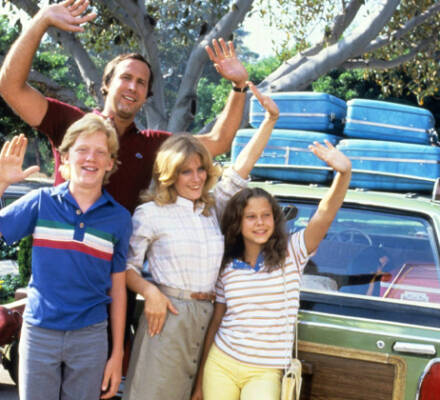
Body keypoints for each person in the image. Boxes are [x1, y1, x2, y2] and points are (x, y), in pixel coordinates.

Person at [0, 0, 249, 214]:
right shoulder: (71, 123)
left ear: (146, 96)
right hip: (61, 250)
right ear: (106, 84)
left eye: (141, 83)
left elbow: (218, 141)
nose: (132, 87)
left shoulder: (151, 145)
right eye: (126, 78)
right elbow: (10, 87)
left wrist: (239, 86)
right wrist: (41, 20)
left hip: (116, 256)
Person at [122, 81, 279, 400]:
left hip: (211, 318)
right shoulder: (150, 213)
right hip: (168, 315)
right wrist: (150, 292)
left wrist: (269, 120)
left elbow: (241, 169)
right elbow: (125, 267)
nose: (196, 179)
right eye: (186, 172)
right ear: (170, 174)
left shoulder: (213, 207)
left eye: (200, 170)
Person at [191, 141, 352, 400]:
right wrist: (199, 383)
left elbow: (324, 215)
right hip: (220, 363)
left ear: (275, 219)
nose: (260, 223)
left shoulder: (292, 253)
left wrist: (344, 174)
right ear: (237, 223)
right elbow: (216, 323)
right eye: (251, 217)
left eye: (266, 215)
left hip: (265, 372)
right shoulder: (228, 265)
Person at [0, 114, 132, 400]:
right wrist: (1, 182)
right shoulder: (41, 202)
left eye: (100, 152)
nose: (91, 158)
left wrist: (117, 354)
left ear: (110, 163)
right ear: (66, 157)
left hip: (91, 336)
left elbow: (119, 288)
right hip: (39, 331)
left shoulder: (120, 219)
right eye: (82, 149)